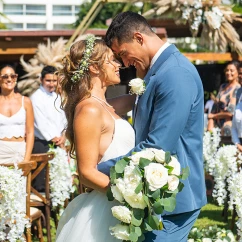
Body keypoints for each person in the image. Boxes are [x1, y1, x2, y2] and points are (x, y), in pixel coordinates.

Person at [97, 11, 207, 242]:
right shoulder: (158, 72)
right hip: (158, 199)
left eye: (124, 54)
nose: (125, 63)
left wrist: (97, 170)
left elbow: (157, 147)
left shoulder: (174, 74)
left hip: (174, 201)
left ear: (139, 37)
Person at [56, 35, 135, 241]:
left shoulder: (107, 105)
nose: (118, 65)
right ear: (93, 68)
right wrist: (129, 197)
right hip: (108, 207)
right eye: (111, 59)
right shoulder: (90, 109)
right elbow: (86, 172)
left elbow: (140, 99)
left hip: (121, 203)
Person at [30, 65, 67, 192]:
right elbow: (40, 123)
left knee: (58, 178)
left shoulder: (58, 97)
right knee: (42, 180)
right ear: (41, 80)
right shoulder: (36, 98)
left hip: (59, 143)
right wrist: (54, 137)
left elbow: (64, 119)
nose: (51, 84)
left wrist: (63, 136)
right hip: (43, 143)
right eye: (48, 81)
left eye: (54, 81)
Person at [0, 64, 34, 164]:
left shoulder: (26, 101)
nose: (9, 79)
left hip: (20, 153)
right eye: (5, 76)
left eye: (13, 76)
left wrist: (27, 159)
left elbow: (30, 132)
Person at [207, 61, 240, 136]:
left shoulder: (237, 89)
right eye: (227, 70)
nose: (228, 73)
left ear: (237, 72)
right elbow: (215, 105)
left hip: (229, 125)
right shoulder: (223, 86)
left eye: (232, 70)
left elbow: (230, 113)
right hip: (216, 123)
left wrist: (213, 116)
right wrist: (211, 120)